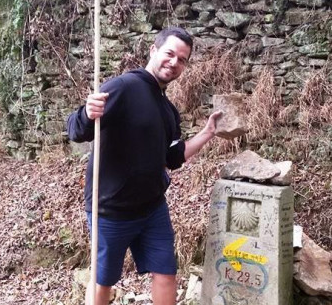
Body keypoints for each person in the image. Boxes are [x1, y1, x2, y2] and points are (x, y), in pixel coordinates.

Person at [67, 26, 222, 305]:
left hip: (152, 209)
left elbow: (173, 157)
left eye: (182, 59)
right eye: (170, 53)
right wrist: (87, 113)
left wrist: (207, 133)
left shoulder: (168, 110)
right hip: (110, 210)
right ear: (154, 50)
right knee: (103, 280)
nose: (175, 62)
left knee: (166, 272)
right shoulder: (123, 87)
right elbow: (78, 130)